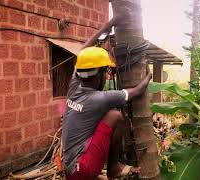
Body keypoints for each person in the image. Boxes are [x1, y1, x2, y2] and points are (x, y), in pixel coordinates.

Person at [62, 46, 152, 180]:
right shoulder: (101, 98)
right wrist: (149, 75)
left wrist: (103, 31)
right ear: (98, 75)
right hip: (82, 170)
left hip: (69, 169)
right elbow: (138, 91)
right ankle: (113, 168)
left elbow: (81, 57)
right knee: (114, 116)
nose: (107, 76)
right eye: (105, 72)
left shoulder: (74, 87)